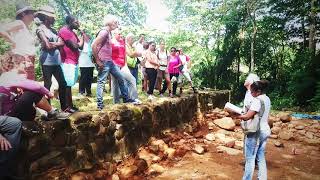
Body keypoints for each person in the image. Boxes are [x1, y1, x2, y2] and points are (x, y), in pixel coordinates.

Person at [92, 15, 136, 110]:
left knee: (121, 78)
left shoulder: (108, 33)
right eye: (116, 23)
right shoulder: (104, 32)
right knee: (101, 82)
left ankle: (126, 99)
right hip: (104, 61)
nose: (117, 25)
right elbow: (93, 45)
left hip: (110, 61)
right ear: (110, 22)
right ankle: (100, 105)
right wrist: (98, 60)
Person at [0, 71, 69, 121]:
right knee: (30, 93)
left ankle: (49, 113)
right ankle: (52, 112)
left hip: (9, 116)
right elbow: (37, 87)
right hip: (10, 118)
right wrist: (48, 93)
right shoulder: (7, 79)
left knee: (27, 93)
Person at [35, 5, 68, 111]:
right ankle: (49, 110)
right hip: (46, 62)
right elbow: (47, 46)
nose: (54, 18)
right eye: (51, 16)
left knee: (63, 83)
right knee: (47, 85)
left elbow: (62, 43)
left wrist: (53, 43)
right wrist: (56, 43)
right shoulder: (40, 29)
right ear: (45, 17)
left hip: (56, 61)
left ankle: (64, 107)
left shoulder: (53, 30)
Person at [237, 80, 271, 180]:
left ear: (258, 91)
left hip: (256, 132)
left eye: (252, 92)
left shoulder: (257, 100)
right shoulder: (267, 98)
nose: (251, 94)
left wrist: (237, 115)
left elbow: (248, 116)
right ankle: (262, 178)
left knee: (250, 158)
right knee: (260, 156)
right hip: (265, 130)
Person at [0, 1, 37, 80]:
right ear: (23, 14)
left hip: (27, 61)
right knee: (22, 87)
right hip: (21, 61)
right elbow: (1, 29)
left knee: (27, 87)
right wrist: (13, 42)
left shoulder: (25, 27)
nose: (33, 15)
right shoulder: (19, 23)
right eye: (31, 13)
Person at [58, 15, 84, 113]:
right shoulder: (64, 31)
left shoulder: (73, 33)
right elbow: (74, 46)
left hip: (74, 61)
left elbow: (80, 47)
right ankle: (67, 107)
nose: (78, 24)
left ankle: (70, 105)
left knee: (70, 84)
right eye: (76, 22)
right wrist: (81, 39)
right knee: (67, 85)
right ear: (70, 22)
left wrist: (81, 38)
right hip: (67, 61)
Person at [111, 31, 141, 104]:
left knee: (132, 80)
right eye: (119, 33)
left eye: (121, 33)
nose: (121, 35)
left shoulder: (122, 42)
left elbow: (124, 55)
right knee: (115, 83)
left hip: (123, 65)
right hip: (114, 64)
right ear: (114, 34)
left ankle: (133, 99)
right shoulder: (111, 42)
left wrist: (125, 65)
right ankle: (116, 102)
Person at [78, 33, 95, 97]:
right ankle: (81, 92)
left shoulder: (91, 44)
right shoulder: (81, 44)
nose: (87, 37)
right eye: (85, 36)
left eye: (88, 36)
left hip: (91, 64)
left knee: (89, 78)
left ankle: (89, 92)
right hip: (83, 63)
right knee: (83, 78)